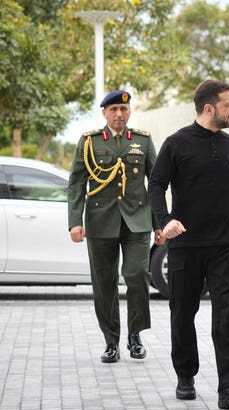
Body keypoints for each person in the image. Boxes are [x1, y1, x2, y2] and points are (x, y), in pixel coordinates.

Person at [148, 79, 229, 409]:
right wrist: (165, 221)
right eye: (228, 105)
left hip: (224, 246)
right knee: (182, 313)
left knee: (227, 316)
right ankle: (185, 375)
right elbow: (156, 184)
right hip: (185, 247)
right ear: (209, 108)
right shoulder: (176, 144)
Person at [68, 90, 164, 363]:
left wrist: (159, 223)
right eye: (113, 110)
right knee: (104, 284)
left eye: (123, 109)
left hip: (137, 221)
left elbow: (155, 184)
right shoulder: (89, 142)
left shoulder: (142, 141)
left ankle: (135, 335)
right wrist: (75, 221)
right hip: (100, 222)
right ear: (105, 114)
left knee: (136, 275)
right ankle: (111, 341)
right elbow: (76, 182)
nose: (119, 114)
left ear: (130, 111)